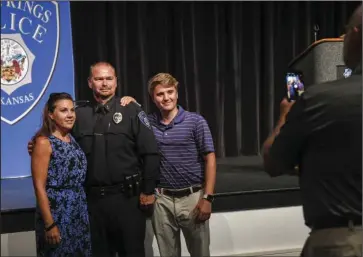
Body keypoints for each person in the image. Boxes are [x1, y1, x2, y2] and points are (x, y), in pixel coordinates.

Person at [29, 62, 160, 257]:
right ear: (90, 83)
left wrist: (149, 190)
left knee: (132, 252)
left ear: (116, 82)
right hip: (92, 204)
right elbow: (56, 135)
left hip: (127, 201)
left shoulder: (131, 110)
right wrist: (35, 142)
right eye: (99, 79)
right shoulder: (78, 114)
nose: (104, 83)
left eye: (109, 79)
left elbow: (151, 152)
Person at [262, 5, 362, 257]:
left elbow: (273, 161)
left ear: (356, 34)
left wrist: (285, 117)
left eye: (345, 34)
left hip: (343, 241)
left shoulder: (319, 100)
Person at [120, 73, 216, 257]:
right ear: (153, 98)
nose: (166, 98)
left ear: (177, 93)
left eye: (170, 92)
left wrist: (208, 198)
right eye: (160, 94)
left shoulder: (195, 122)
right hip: (161, 201)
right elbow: (134, 117)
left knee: (200, 253)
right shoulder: (148, 123)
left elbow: (210, 159)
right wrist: (132, 103)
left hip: (192, 198)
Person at [31, 92, 91, 256]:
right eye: (64, 110)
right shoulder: (44, 142)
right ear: (51, 114)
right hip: (57, 212)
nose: (70, 115)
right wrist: (50, 224)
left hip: (78, 211)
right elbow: (39, 186)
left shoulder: (71, 138)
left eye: (72, 110)